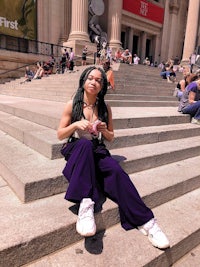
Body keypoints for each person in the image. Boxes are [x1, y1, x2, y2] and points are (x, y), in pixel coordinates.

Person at [57, 66, 170, 249]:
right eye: (90, 78)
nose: (94, 82)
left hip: (97, 149)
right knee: (85, 145)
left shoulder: (105, 108)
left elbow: (111, 137)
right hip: (76, 147)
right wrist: (76, 124)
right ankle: (85, 204)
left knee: (117, 172)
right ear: (83, 81)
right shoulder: (72, 104)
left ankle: (147, 222)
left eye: (99, 80)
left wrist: (103, 130)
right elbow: (60, 134)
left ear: (103, 85)